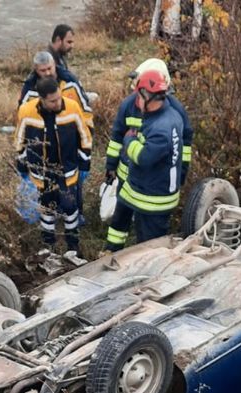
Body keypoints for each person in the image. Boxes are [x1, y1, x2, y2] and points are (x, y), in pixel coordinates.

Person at [105, 70, 183, 251]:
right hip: (139, 188)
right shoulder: (169, 115)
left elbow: (143, 157)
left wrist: (129, 140)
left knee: (150, 249)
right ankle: (110, 252)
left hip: (152, 199)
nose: (136, 101)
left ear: (147, 96)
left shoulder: (161, 129)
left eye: (138, 96)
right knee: (119, 219)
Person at [15, 77, 92, 261]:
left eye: (58, 98)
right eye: (53, 101)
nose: (58, 102)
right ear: (42, 99)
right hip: (41, 171)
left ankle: (73, 245)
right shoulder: (27, 111)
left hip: (67, 169)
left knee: (69, 206)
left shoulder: (72, 107)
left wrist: (84, 163)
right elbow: (19, 140)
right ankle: (48, 245)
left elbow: (85, 136)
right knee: (46, 207)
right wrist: (22, 165)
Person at [106, 58, 193, 190]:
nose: (138, 99)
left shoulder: (175, 111)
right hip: (126, 178)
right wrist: (111, 166)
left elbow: (184, 144)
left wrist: (181, 172)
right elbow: (116, 138)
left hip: (154, 182)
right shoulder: (127, 106)